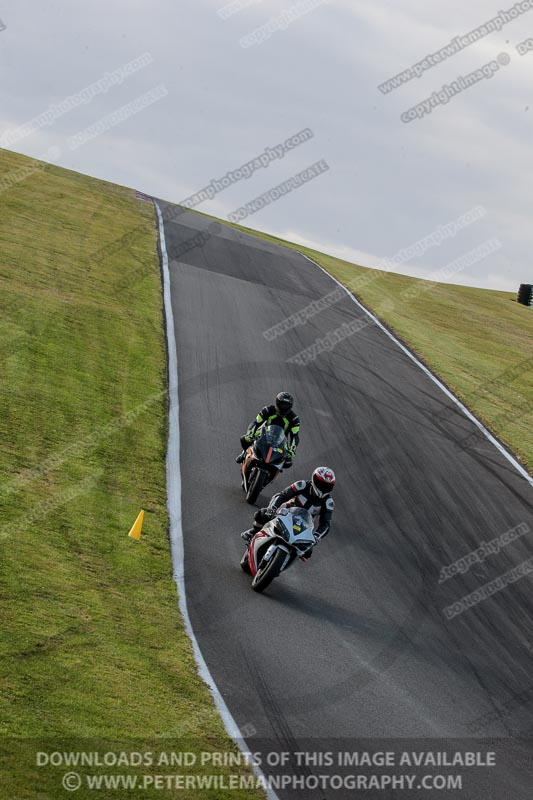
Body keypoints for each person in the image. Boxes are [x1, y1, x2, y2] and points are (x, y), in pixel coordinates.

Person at [240, 467, 336, 559]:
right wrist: (272, 508)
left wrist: (316, 536)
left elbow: (325, 524)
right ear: (314, 479)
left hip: (304, 527)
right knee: (262, 514)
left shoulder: (328, 502)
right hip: (285, 514)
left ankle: (283, 562)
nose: (323, 488)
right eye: (321, 484)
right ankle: (253, 532)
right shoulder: (302, 485)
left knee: (308, 552)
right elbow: (282, 496)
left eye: (327, 486)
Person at [235, 392, 300, 467]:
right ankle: (244, 453)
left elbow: (295, 436)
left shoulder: (294, 419)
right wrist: (250, 434)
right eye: (281, 404)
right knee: (244, 439)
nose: (283, 407)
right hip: (264, 433)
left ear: (290, 406)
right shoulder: (267, 410)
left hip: (281, 441)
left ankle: (274, 469)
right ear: (277, 403)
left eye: (285, 405)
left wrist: (292, 450)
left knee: (288, 462)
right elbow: (256, 423)